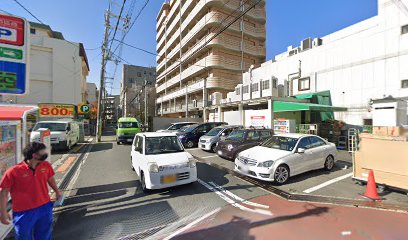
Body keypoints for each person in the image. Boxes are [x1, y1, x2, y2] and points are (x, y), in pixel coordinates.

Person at [0, 142, 62, 240]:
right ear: (34, 155)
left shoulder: (46, 165)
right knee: (23, 237)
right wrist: (3, 212)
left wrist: (57, 191)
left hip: (44, 207)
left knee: (45, 236)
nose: (46, 153)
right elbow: (3, 193)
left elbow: (50, 179)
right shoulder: (13, 172)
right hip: (23, 212)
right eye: (43, 151)